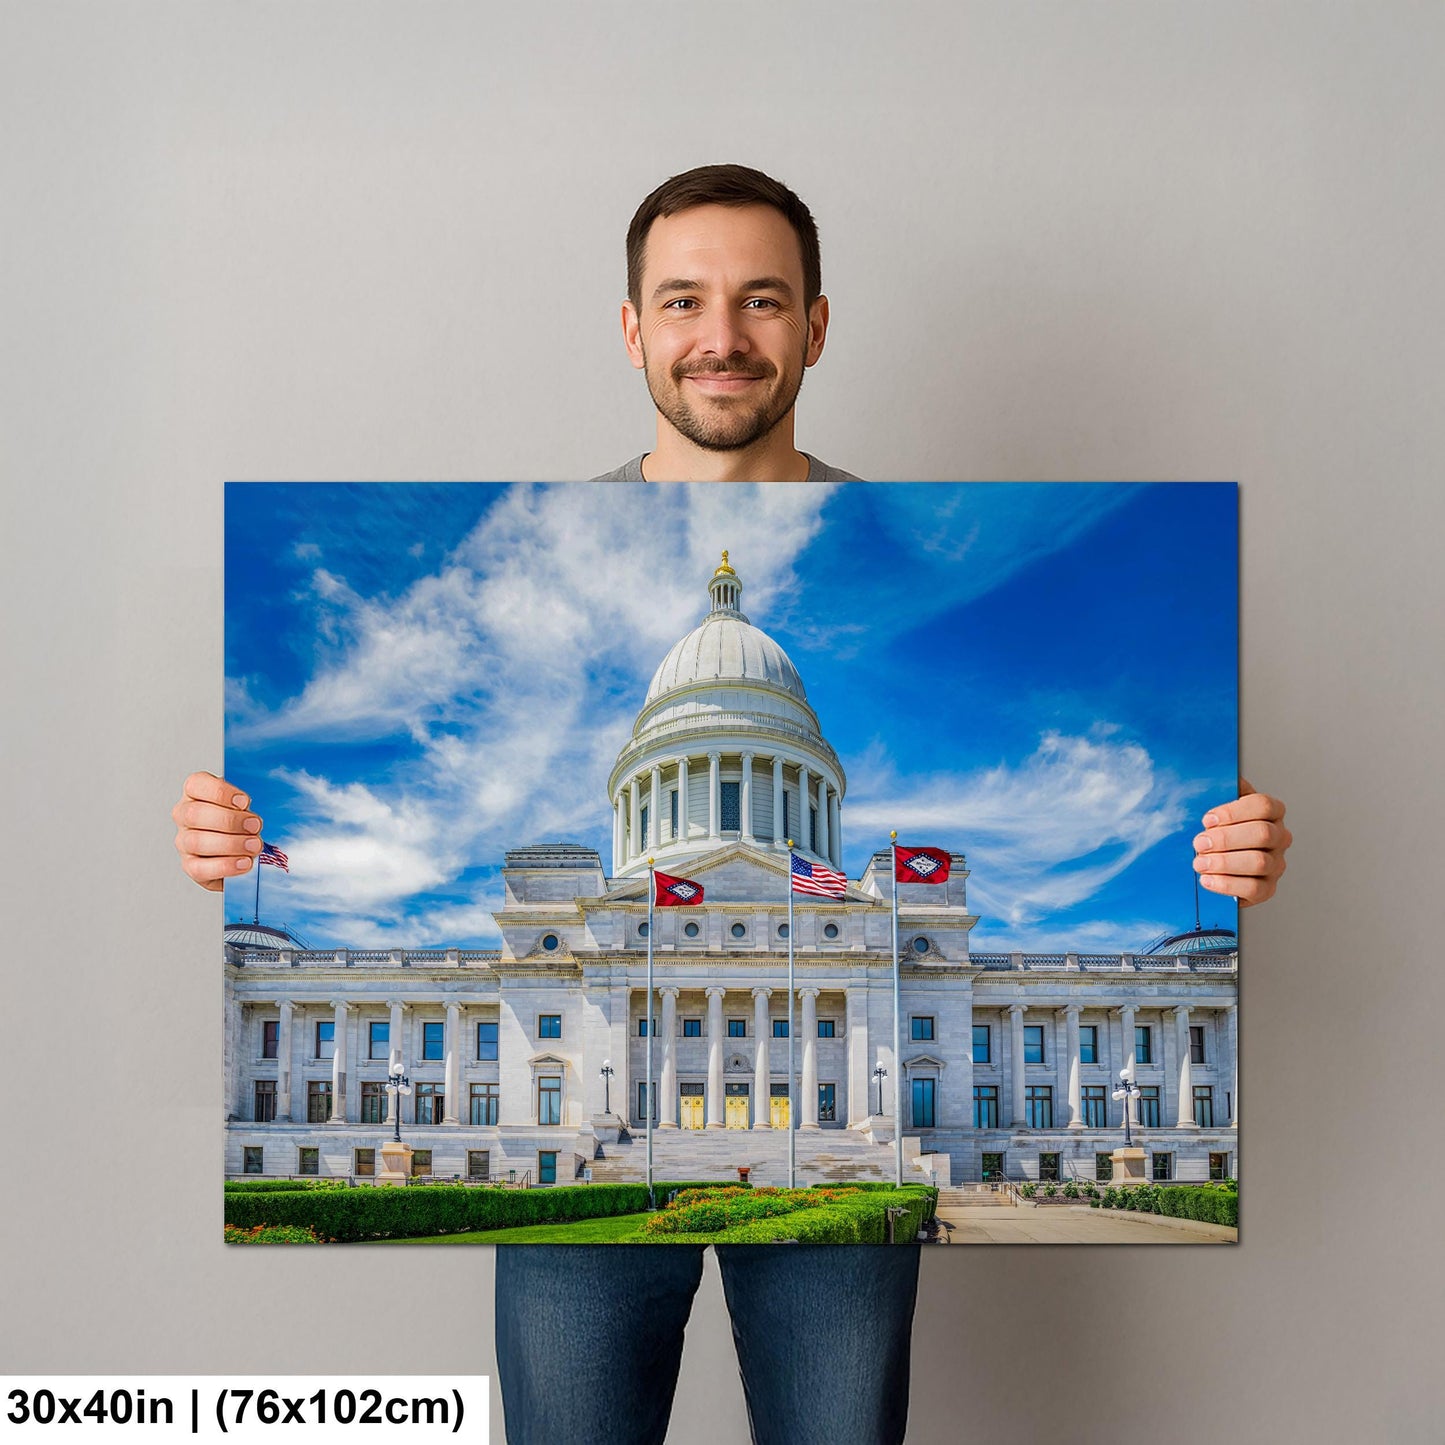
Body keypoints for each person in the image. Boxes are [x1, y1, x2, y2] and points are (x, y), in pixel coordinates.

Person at [175, 165, 1292, 1445]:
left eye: (761, 300)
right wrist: (213, 834)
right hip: (603, 1198)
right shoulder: (556, 524)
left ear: (814, 325)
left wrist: (1242, 846)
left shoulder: (909, 525)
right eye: (683, 300)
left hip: (838, 1196)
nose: (721, 336)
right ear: (632, 325)